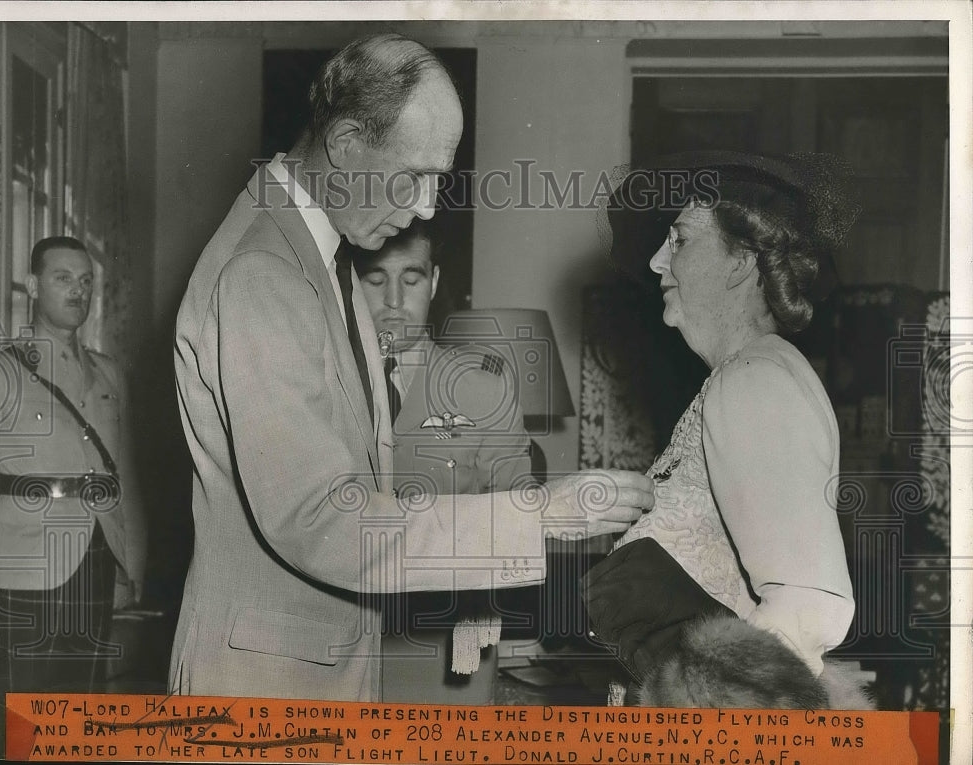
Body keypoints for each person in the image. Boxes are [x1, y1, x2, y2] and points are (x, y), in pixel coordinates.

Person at [171, 33, 653, 701]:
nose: (427, 207)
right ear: (344, 145)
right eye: (415, 176)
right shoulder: (264, 273)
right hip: (267, 682)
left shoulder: (312, 257)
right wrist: (539, 515)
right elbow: (320, 518)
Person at [587, 151, 859, 707]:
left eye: (681, 240)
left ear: (740, 261)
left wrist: (709, 722)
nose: (659, 262)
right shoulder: (747, 375)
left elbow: (814, 600)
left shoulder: (755, 380)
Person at [353, 221, 531, 703]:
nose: (393, 300)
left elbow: (519, 514)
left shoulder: (481, 386)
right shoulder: (323, 387)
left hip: (445, 638)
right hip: (342, 637)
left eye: (410, 280)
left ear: (432, 283)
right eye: (374, 279)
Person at [0, 236, 147, 703]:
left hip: (94, 559)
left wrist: (126, 566)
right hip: (26, 565)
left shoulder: (108, 373)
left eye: (86, 281)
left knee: (83, 702)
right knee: (25, 710)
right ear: (33, 286)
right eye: (63, 278)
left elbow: (122, 478)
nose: (79, 291)